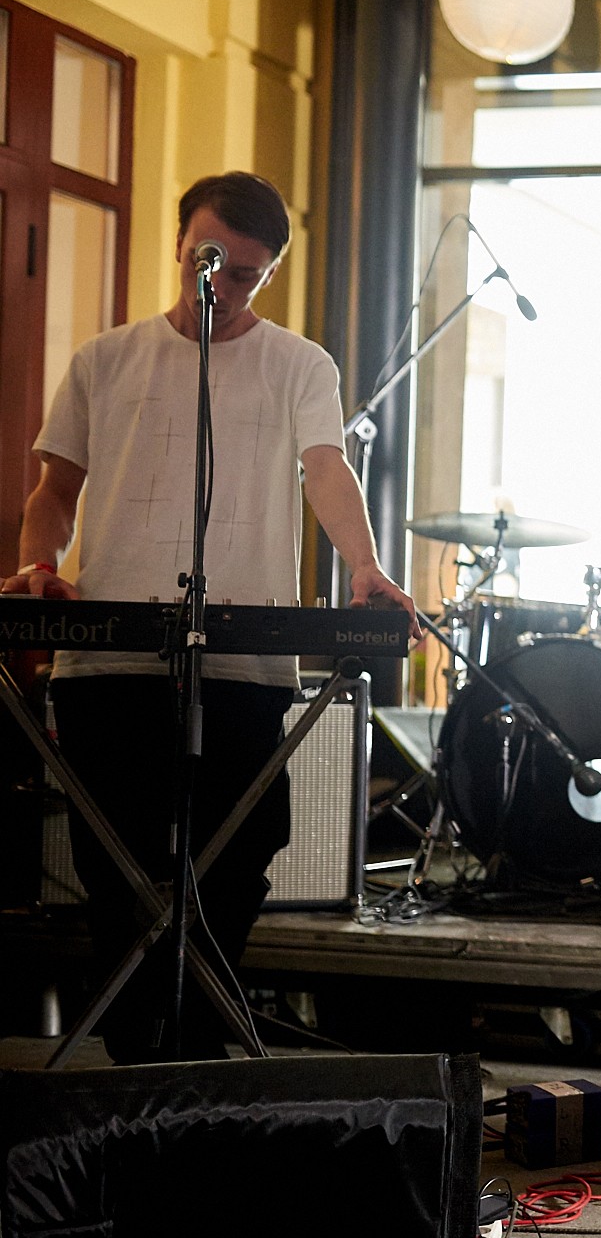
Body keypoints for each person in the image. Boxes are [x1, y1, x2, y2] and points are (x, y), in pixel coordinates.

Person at [1, 171, 416, 1064]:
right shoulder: (105, 360)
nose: (221, 287)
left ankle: (199, 1048)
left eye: (246, 276)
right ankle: (133, 1061)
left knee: (240, 851)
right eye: (209, 261)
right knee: (113, 862)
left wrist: (365, 564)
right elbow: (55, 488)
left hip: (241, 663)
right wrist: (39, 565)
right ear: (181, 244)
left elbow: (327, 468)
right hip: (109, 665)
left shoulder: (301, 364)